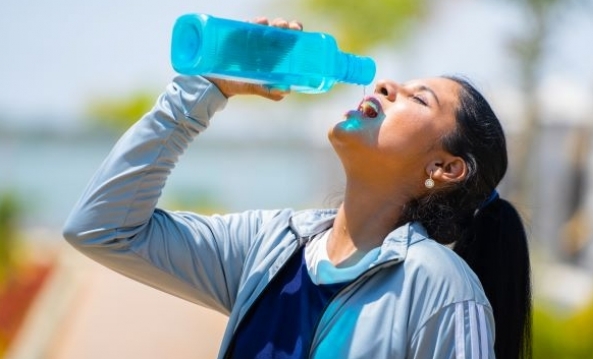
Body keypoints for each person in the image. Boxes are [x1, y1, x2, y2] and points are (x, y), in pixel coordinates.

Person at [63, 17, 531, 359]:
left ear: (446, 167)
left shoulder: (438, 287)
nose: (387, 85)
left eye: (418, 98)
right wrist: (204, 90)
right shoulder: (268, 248)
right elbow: (102, 230)